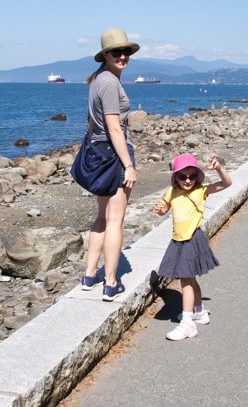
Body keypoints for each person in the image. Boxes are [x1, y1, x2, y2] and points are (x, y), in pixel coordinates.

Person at [80, 28, 139, 301]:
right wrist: (128, 165)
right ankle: (111, 282)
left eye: (126, 51)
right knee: (115, 221)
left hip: (99, 154)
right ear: (105, 54)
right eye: (116, 52)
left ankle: (89, 275)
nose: (123, 56)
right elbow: (115, 129)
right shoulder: (110, 83)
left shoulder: (98, 80)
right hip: (114, 156)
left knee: (102, 217)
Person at [154, 154, 232, 341]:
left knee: (186, 281)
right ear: (176, 177)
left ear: (197, 177)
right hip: (178, 239)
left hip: (192, 239)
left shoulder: (201, 190)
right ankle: (199, 311)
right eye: (183, 177)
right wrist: (160, 210)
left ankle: (188, 323)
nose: (187, 180)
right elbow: (165, 209)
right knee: (191, 279)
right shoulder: (172, 192)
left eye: (191, 176)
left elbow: (227, 183)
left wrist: (219, 168)